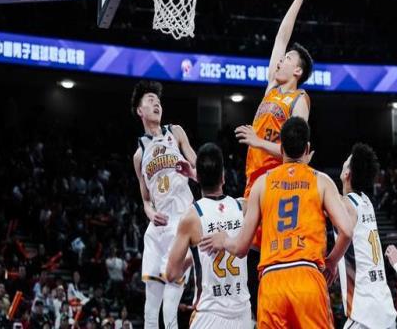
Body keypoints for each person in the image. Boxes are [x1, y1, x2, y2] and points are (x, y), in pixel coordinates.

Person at [201, 117, 353, 328]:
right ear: (307, 148)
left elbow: (241, 248)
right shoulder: (321, 180)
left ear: (281, 149)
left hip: (272, 282)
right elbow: (346, 231)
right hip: (307, 276)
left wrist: (224, 239)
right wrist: (332, 262)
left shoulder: (261, 184)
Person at [235, 0, 317, 314]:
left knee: (262, 261)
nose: (279, 60)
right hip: (253, 180)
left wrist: (257, 141)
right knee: (247, 260)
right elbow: (281, 37)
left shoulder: (300, 100)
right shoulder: (271, 88)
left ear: (297, 70)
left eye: (286, 59)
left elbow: (297, 151)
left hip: (277, 184)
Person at [131, 80, 197, 329]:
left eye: (158, 101)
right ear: (140, 110)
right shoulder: (139, 155)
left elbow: (201, 171)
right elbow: (146, 200)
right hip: (158, 229)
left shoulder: (175, 132)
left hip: (182, 224)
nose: (156, 103)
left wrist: (192, 171)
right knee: (151, 308)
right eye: (150, 100)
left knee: (170, 308)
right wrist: (150, 214)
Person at [166, 143, 251, 328]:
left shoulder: (191, 217)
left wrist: (193, 258)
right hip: (242, 315)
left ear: (199, 179)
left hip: (209, 315)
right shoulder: (244, 207)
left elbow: (171, 274)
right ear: (223, 176)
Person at [337, 143, 397, 329]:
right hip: (384, 307)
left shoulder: (345, 204)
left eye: (346, 162)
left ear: (347, 174)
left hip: (364, 312)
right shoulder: (366, 202)